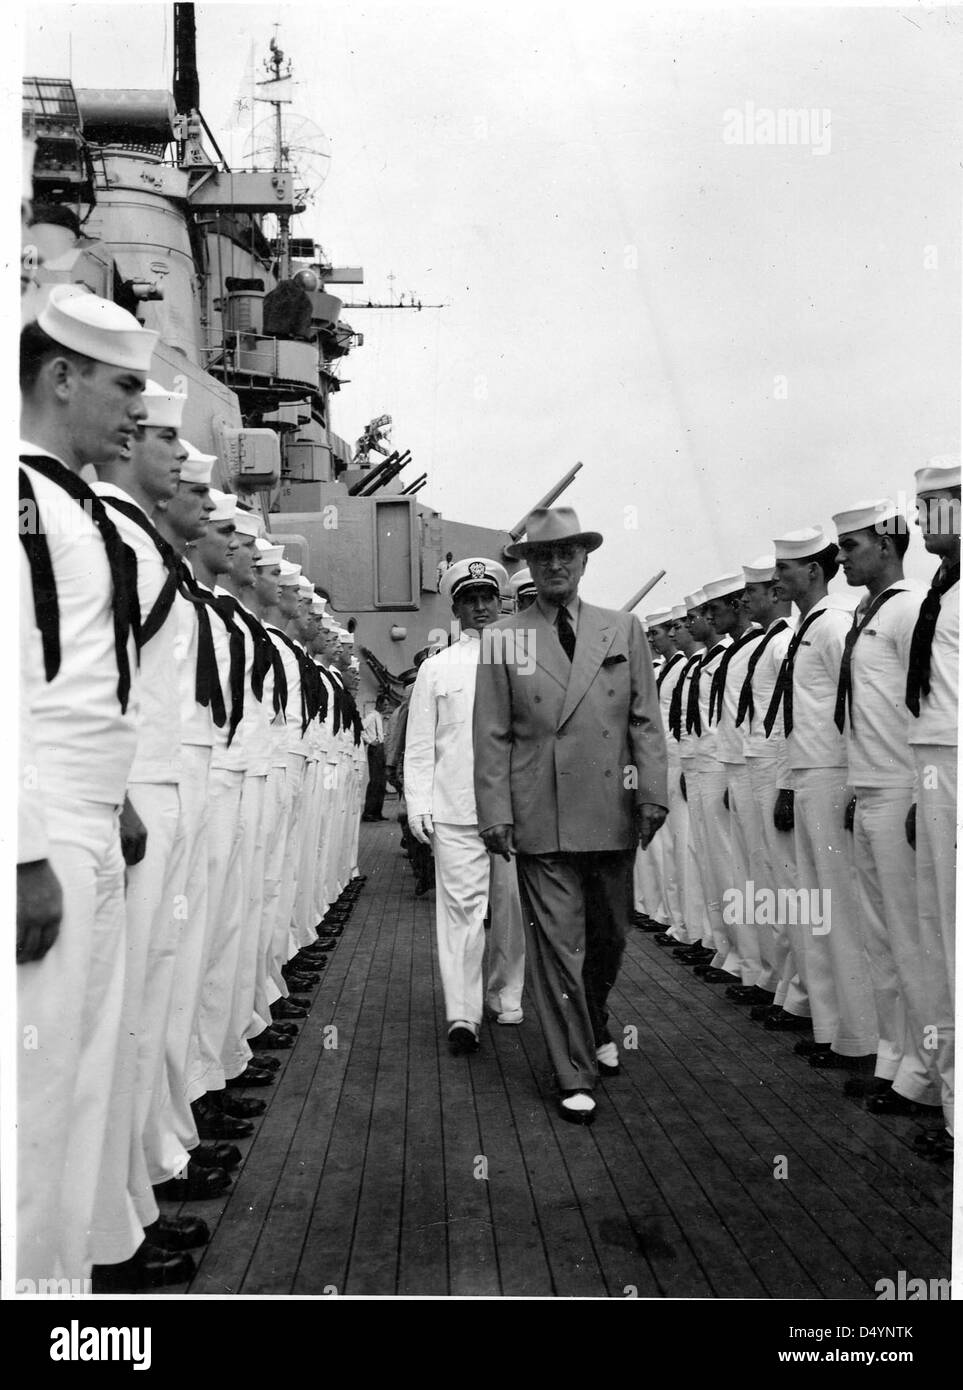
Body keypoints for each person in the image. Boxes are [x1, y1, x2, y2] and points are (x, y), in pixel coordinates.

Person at [18, 285, 159, 1283]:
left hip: (88, 821)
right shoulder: (19, 499)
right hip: (42, 830)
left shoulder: (73, 503)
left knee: (80, 1083)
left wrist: (119, 798)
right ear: (61, 377)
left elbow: (80, 673)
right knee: (31, 1097)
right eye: (123, 387)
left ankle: (67, 1283)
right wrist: (23, 850)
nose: (136, 412)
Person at [473, 507, 668, 1124]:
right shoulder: (504, 635)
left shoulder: (624, 628)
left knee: (609, 939)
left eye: (567, 554)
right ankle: (573, 1070)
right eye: (542, 555)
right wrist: (494, 812)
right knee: (561, 948)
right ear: (527, 564)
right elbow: (493, 734)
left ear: (585, 560)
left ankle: (597, 1015)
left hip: (610, 809)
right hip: (542, 816)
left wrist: (652, 793)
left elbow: (644, 719)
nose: (555, 564)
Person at [832, 499, 939, 1117]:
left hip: (902, 789)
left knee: (910, 937)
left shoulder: (908, 611)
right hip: (869, 787)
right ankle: (895, 1061)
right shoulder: (868, 615)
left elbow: (924, 709)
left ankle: (925, 1074)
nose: (842, 557)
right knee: (881, 937)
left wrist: (917, 792)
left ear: (887, 547)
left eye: (852, 546)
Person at [767, 526, 878, 1069]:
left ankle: (860, 1037)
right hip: (809, 774)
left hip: (835, 775)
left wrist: (858, 781)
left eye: (785, 568)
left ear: (811, 570)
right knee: (815, 906)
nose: (777, 577)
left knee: (838, 908)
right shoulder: (804, 629)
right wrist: (789, 781)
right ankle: (832, 1026)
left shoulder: (834, 627)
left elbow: (856, 708)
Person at [406, 558, 526, 1052]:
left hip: (515, 808)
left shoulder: (524, 659)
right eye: (469, 599)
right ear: (455, 608)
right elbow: (420, 743)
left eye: (487, 598)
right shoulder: (436, 669)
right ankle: (463, 1013)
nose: (480, 607)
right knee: (461, 912)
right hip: (455, 809)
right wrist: (418, 805)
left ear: (501, 602)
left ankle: (506, 992)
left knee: (512, 908)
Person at [904, 457, 959, 1162]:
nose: (919, 521)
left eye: (932, 506)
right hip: (931, 768)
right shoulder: (942, 591)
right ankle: (949, 1105)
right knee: (936, 940)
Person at [362, 694, 390, 820]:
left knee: (381, 782)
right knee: (375, 781)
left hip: (381, 748)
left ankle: (377, 812)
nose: (386, 706)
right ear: (378, 703)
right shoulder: (371, 715)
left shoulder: (379, 716)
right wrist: (369, 740)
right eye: (385, 704)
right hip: (375, 749)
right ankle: (368, 813)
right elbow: (360, 728)